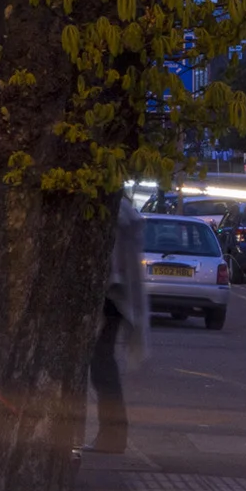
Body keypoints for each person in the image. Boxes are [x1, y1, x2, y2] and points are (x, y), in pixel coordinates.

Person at [88, 189, 148, 453]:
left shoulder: (111, 209)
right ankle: (112, 434)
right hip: (117, 295)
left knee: (101, 364)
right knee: (102, 363)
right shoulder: (123, 208)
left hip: (110, 295)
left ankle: (112, 435)